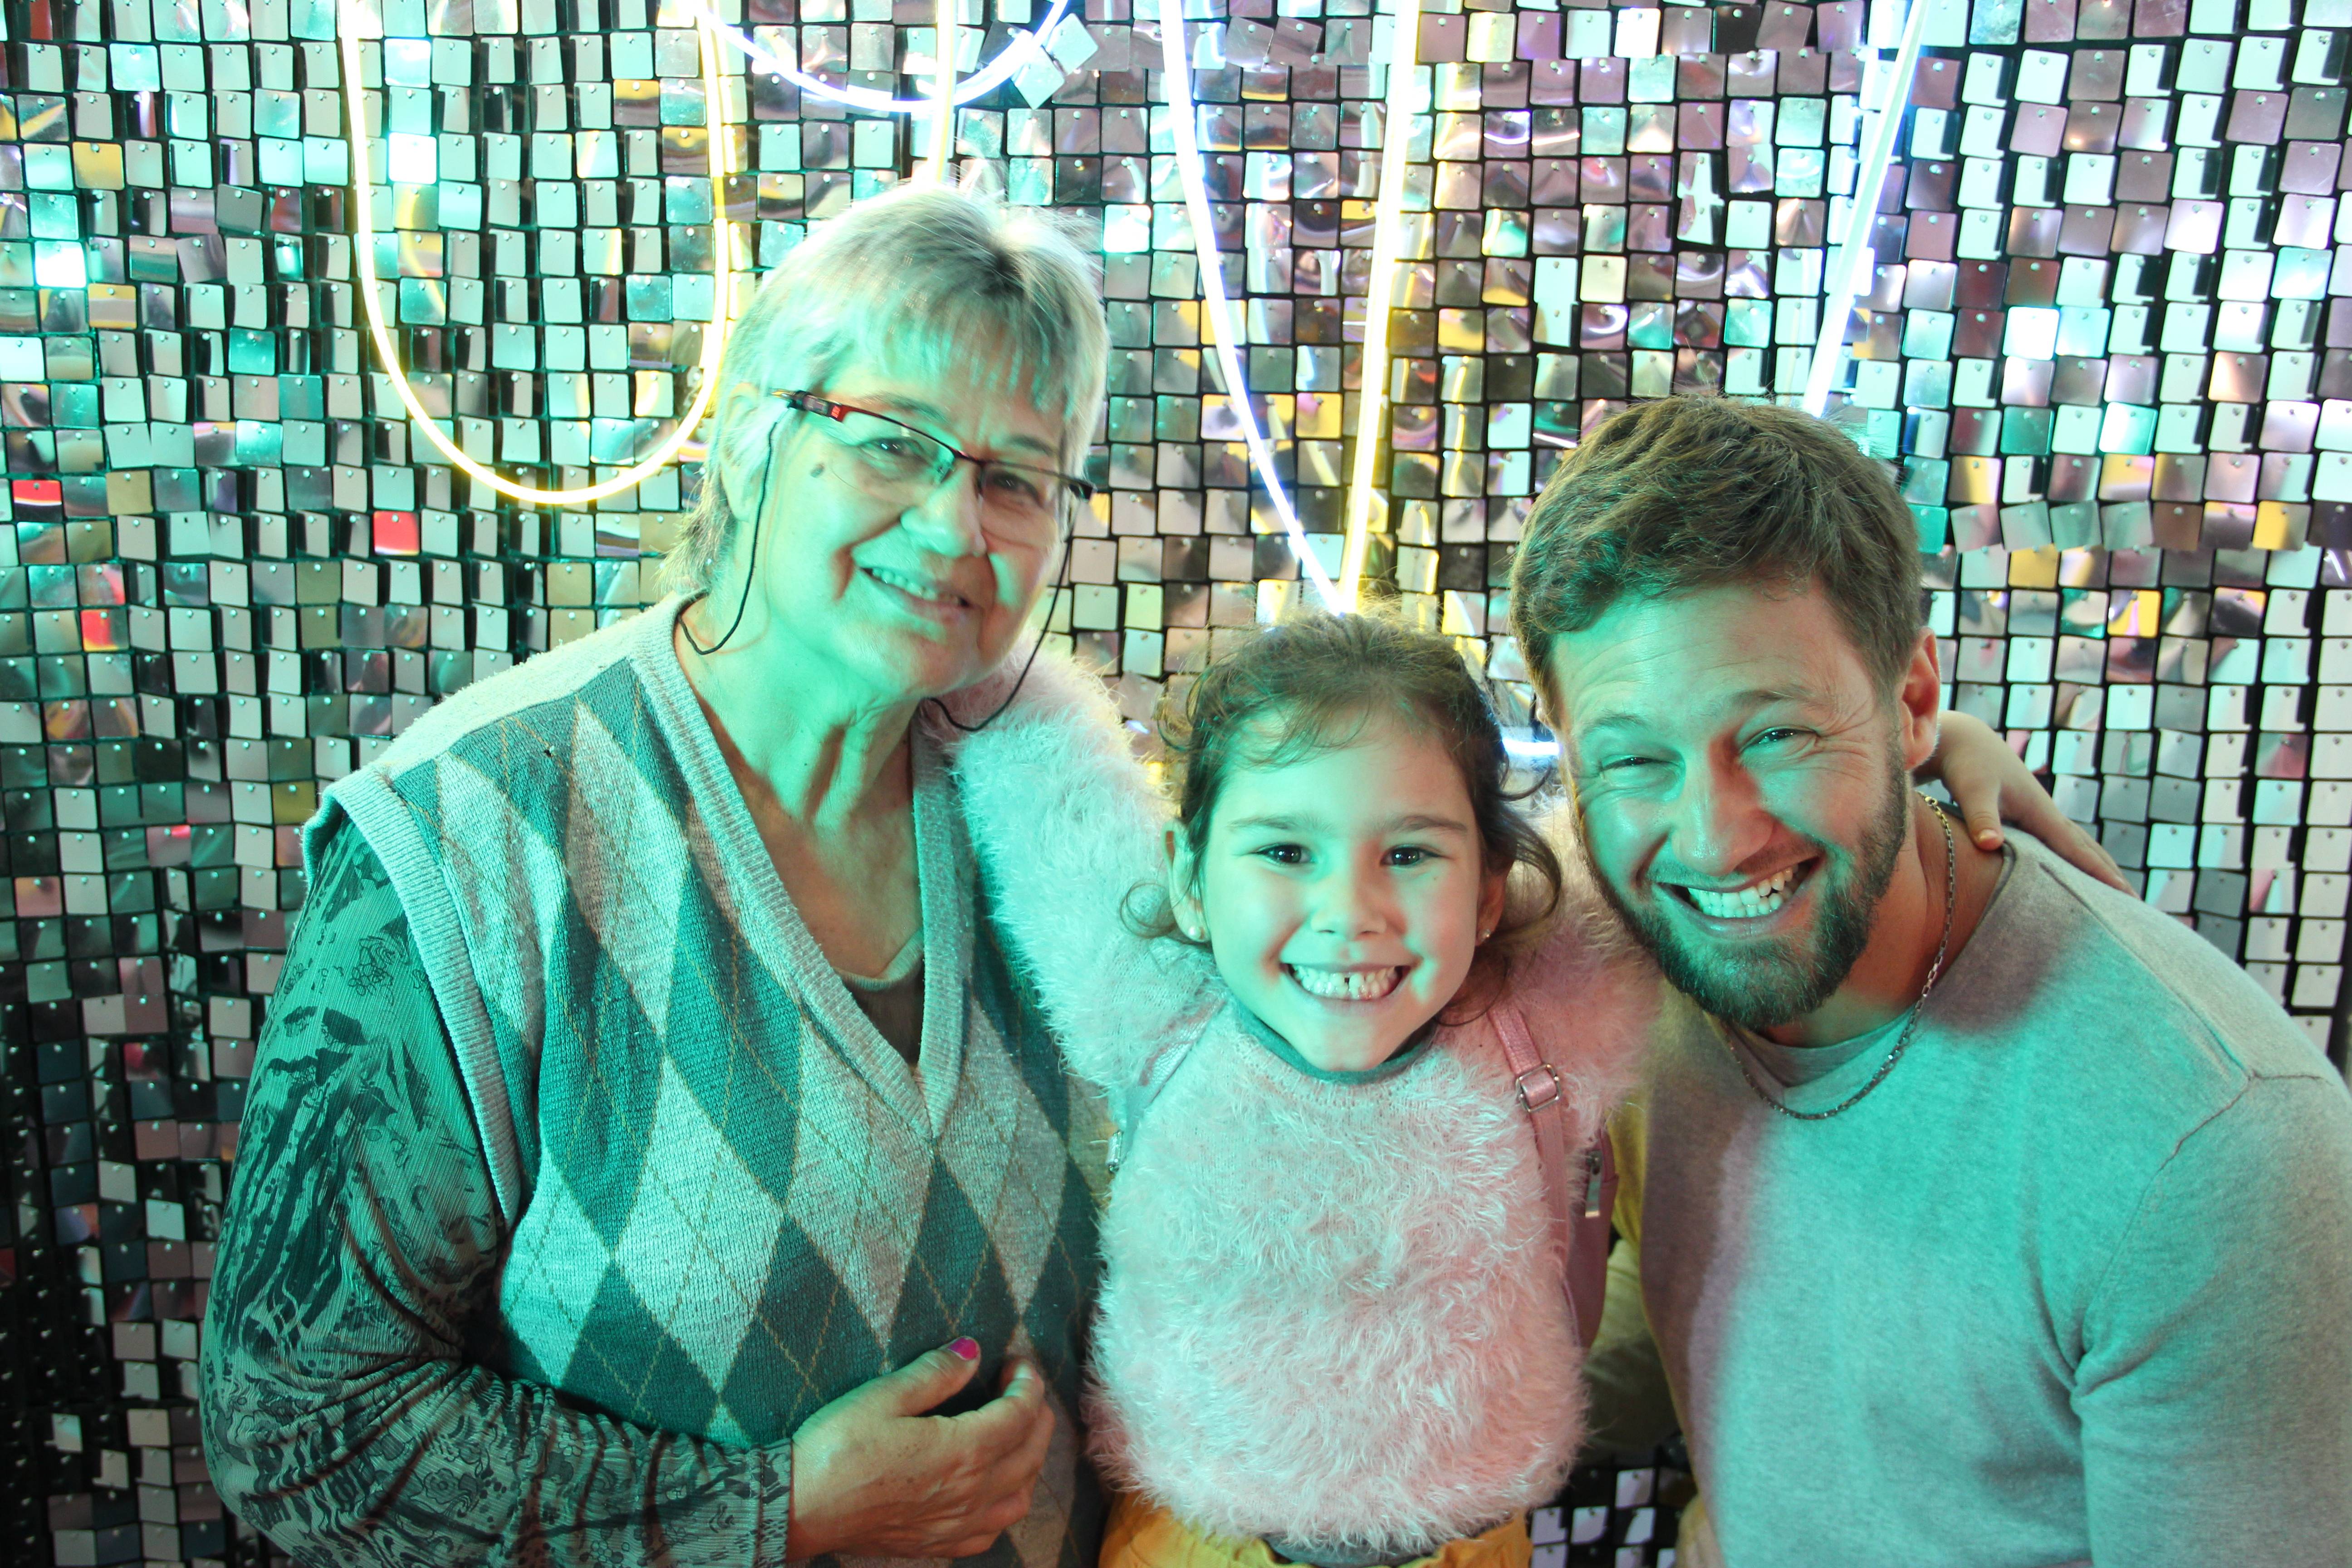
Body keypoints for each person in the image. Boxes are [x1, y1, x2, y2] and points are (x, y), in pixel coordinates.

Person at [201, 186, 1115, 1566]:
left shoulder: (1059, 812)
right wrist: (776, 1512)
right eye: (892, 442)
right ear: (750, 435)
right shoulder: (473, 833)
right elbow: (293, 1427)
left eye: (1013, 480)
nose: (952, 525)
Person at [939, 609, 2080, 1568]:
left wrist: (1928, 748)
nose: (1350, 914)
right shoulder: (1155, 1010)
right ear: (1189, 881)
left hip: (1470, 1548)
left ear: (1491, 892)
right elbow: (1037, 763)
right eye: (1284, 852)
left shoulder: (1542, 1011)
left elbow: (1683, 836)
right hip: (1193, 1543)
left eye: (1409, 855)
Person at [1510, 395, 2352, 1568]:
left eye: (1777, 736)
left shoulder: (2214, 1155)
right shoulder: (1624, 960)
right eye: (1636, 759)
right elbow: (1720, 1323)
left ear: (1912, 703)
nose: (1715, 838)